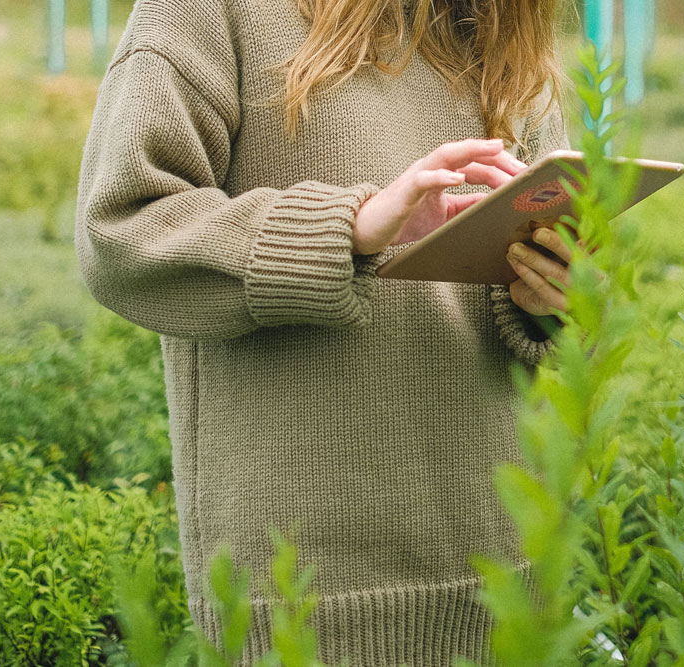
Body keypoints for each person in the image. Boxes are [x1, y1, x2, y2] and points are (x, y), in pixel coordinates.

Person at [75, 0, 572, 663]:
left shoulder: (507, 29)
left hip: (504, 574)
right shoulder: (210, 10)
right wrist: (351, 227)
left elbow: (540, 304)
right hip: (303, 591)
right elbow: (123, 230)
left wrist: (554, 294)